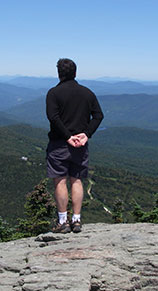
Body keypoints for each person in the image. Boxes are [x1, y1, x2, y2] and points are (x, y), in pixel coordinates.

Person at [46, 58, 104, 233]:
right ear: (75, 73)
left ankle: (62, 221)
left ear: (58, 73)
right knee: (77, 180)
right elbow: (98, 116)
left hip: (58, 144)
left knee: (60, 180)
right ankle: (76, 220)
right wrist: (86, 134)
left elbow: (53, 118)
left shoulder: (53, 93)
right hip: (80, 145)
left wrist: (67, 137)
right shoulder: (87, 93)